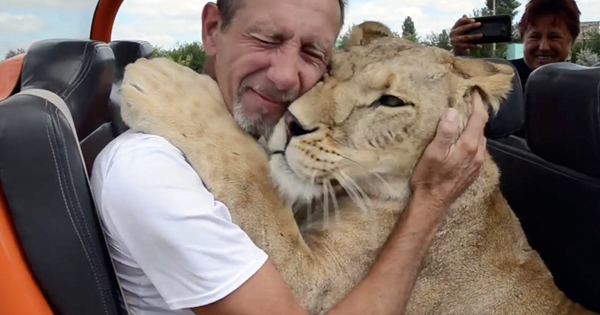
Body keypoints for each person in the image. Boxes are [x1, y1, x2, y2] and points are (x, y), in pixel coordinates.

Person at [90, 0, 490, 314]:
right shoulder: (147, 169)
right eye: (266, 39)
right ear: (212, 30)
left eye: (314, 54)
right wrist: (431, 200)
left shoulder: (269, 136)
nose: (286, 76)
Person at [449, 0, 581, 90]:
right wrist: (461, 56)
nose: (543, 46)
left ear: (573, 41)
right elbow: (465, 91)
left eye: (554, 37)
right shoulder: (501, 76)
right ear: (523, 37)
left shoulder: (587, 84)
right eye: (535, 37)